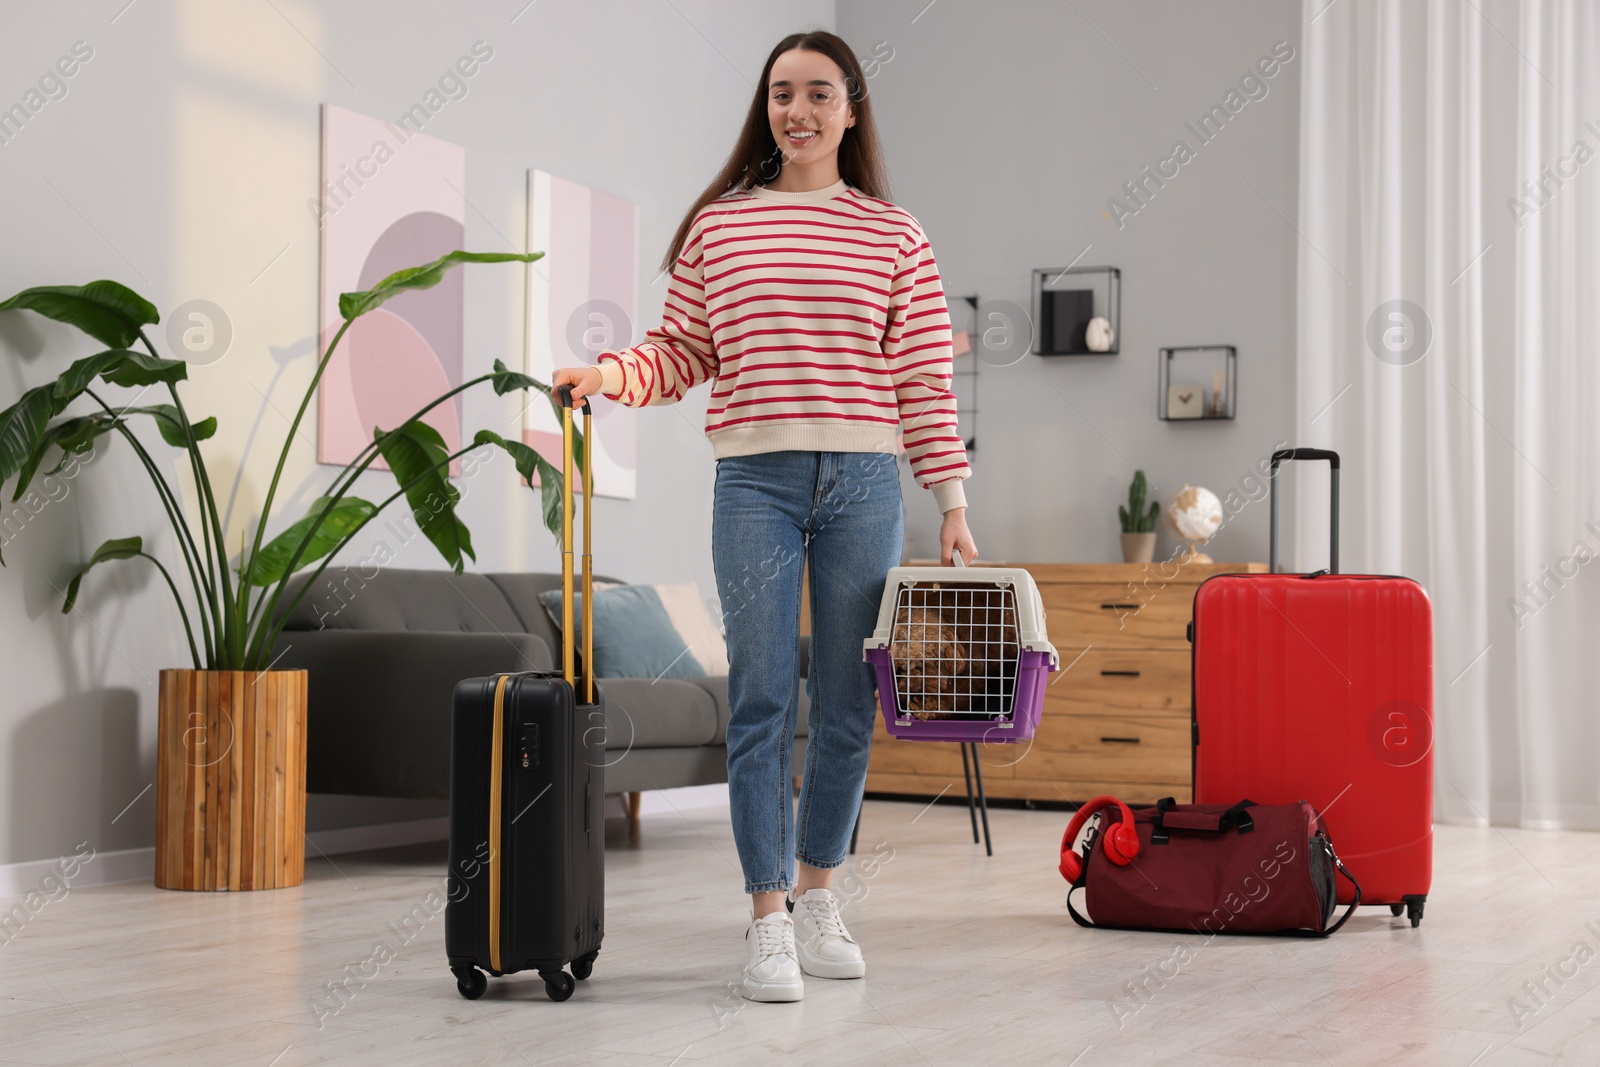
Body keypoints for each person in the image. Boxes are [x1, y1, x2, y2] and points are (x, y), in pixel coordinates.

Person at [553, 29, 976, 1004]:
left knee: (846, 697)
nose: (799, 111)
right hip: (754, 482)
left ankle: (821, 891)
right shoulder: (722, 227)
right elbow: (677, 351)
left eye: (819, 94)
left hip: (868, 482)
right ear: (766, 107)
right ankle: (766, 916)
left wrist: (949, 501)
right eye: (782, 93)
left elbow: (922, 379)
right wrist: (606, 374)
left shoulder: (893, 233)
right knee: (759, 698)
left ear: (851, 110)